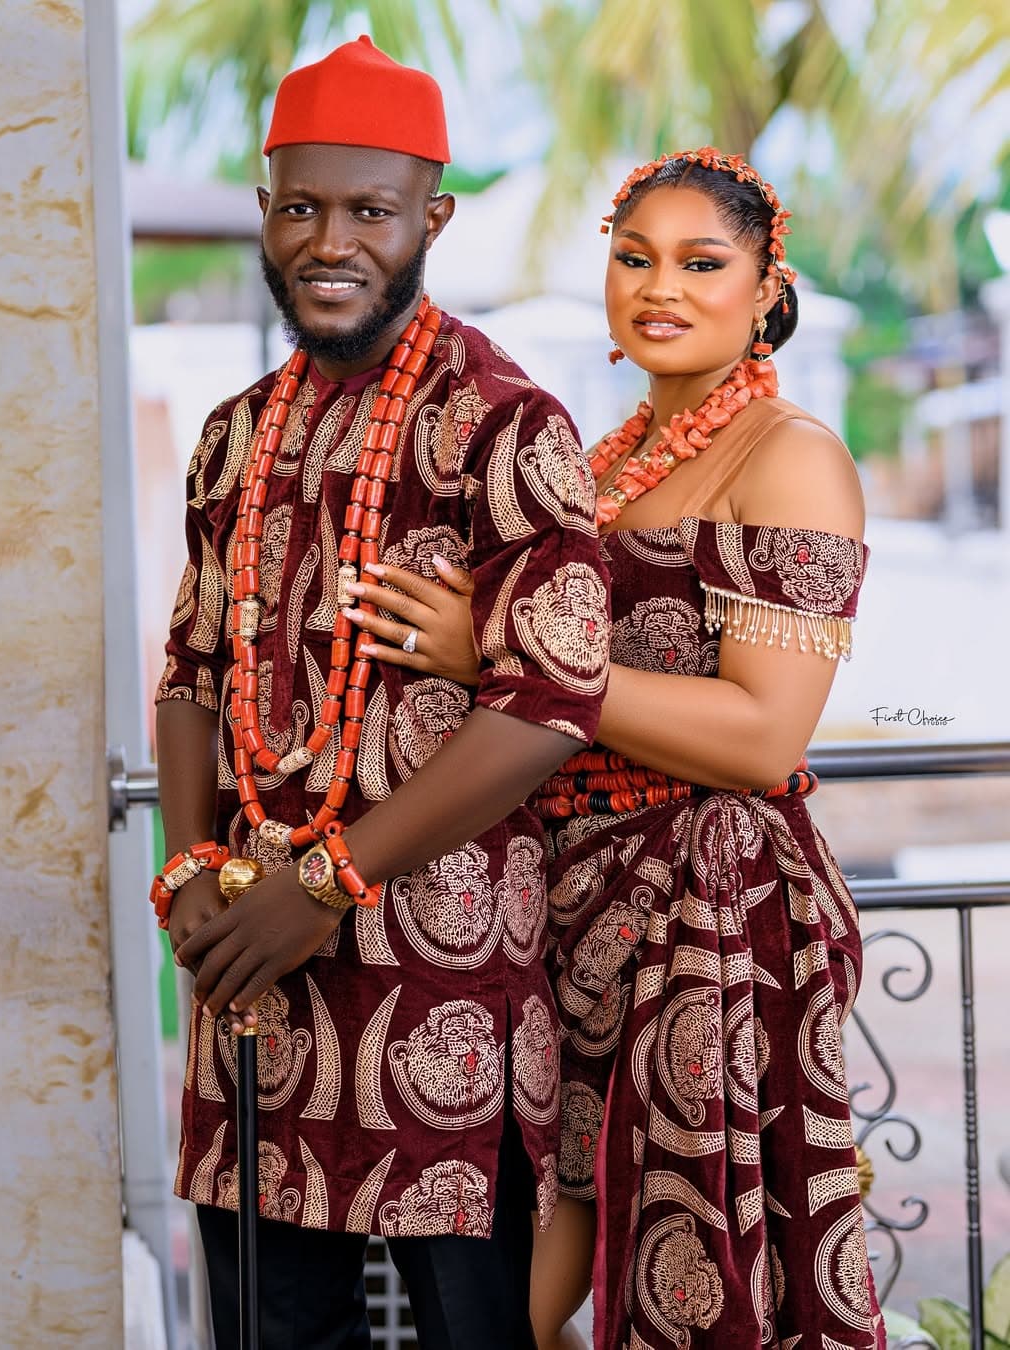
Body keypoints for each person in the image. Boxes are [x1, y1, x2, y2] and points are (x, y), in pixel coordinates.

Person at [345, 147, 886, 1350]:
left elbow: (760, 737)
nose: (662, 287)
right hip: (572, 896)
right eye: (635, 257)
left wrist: (499, 649)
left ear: (765, 285)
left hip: (709, 904)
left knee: (684, 1258)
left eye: (704, 263)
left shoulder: (789, 457)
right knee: (552, 1224)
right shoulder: (600, 461)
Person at [152, 36, 612, 1350]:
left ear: (432, 218)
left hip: (449, 1003)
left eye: (369, 209)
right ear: (265, 211)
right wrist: (189, 860)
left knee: (482, 1335)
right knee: (265, 1334)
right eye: (302, 206)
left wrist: (335, 878)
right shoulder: (233, 431)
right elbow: (190, 668)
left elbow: (550, 698)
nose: (331, 238)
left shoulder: (507, 422)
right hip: (255, 994)